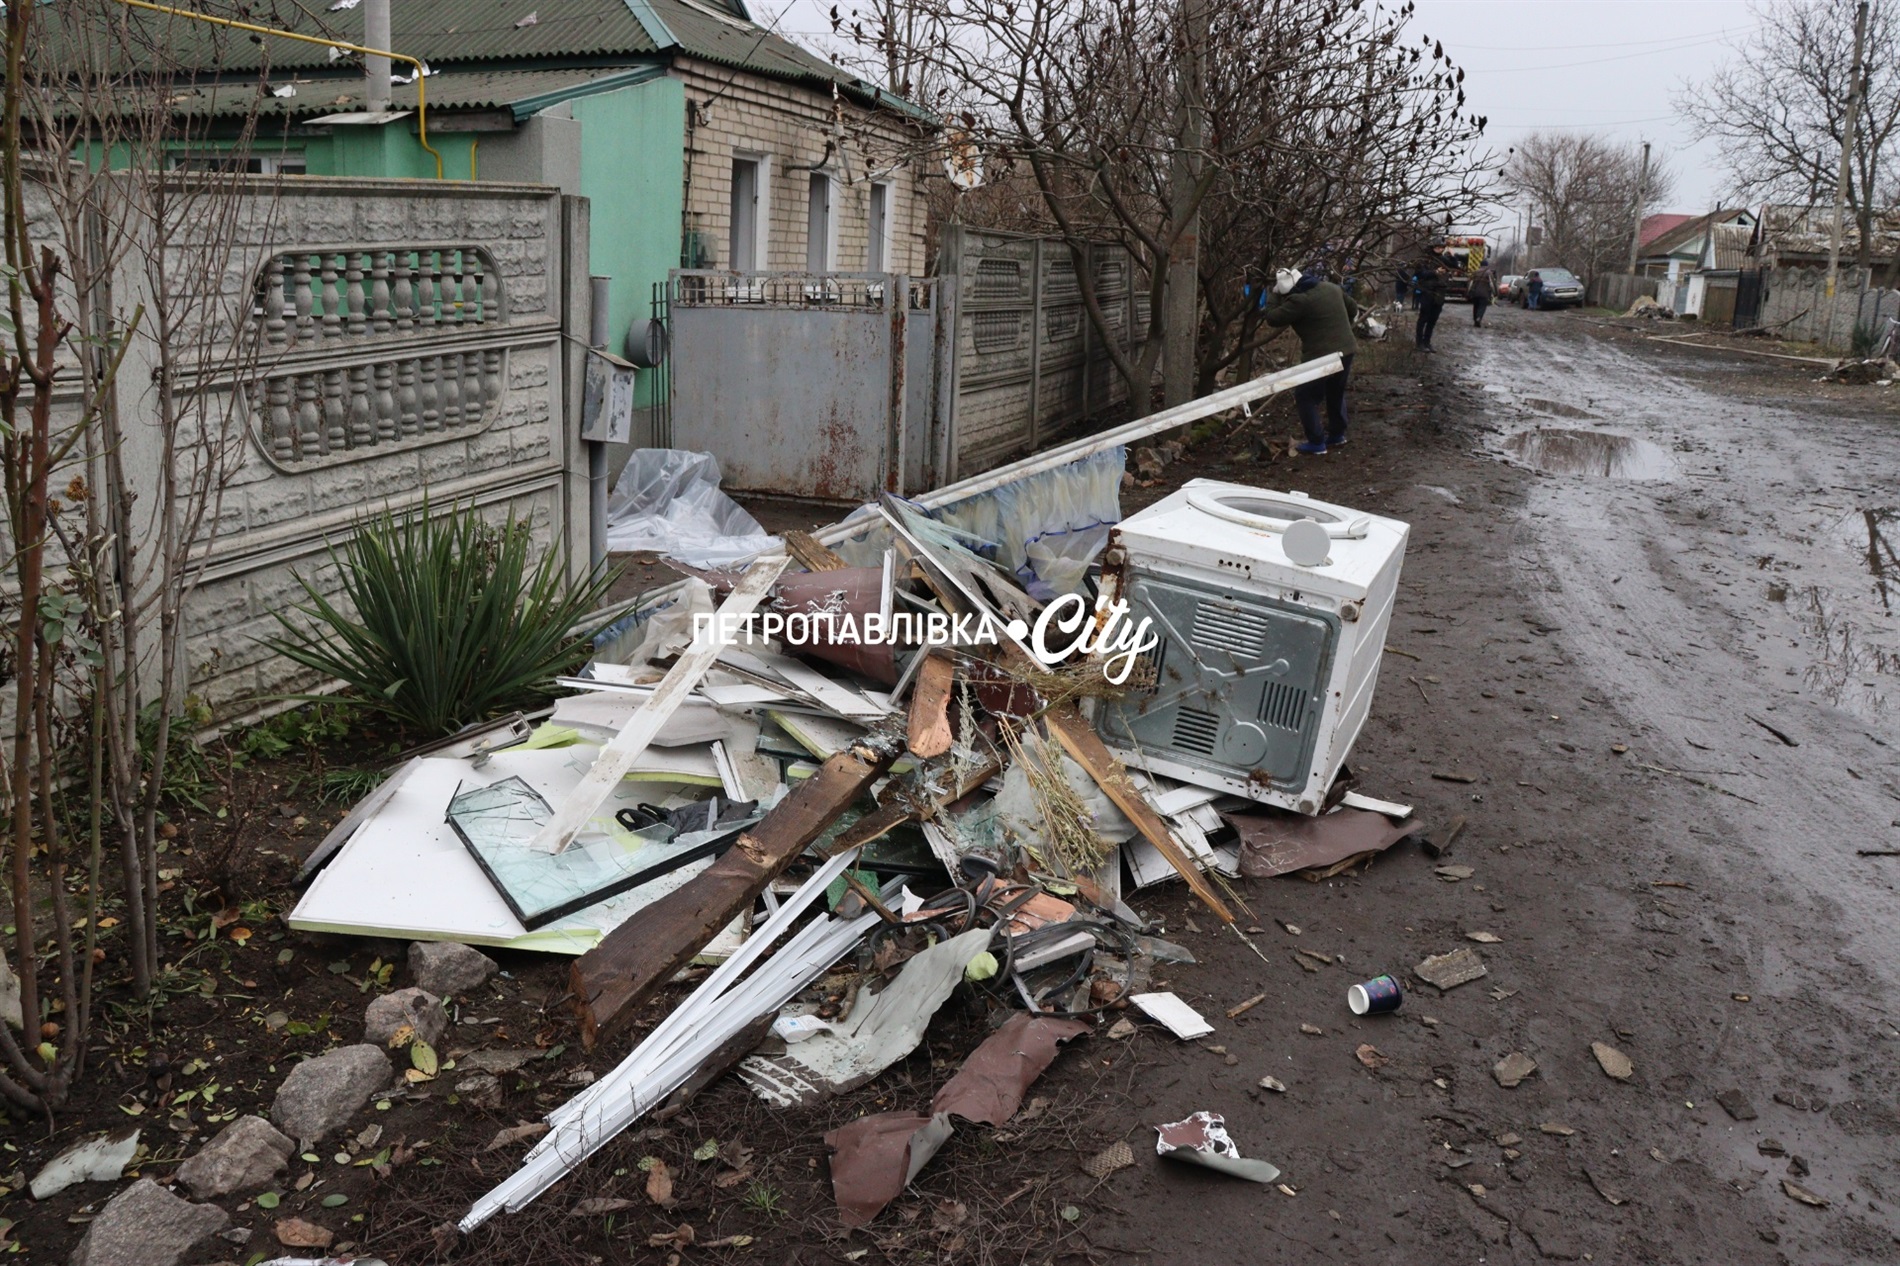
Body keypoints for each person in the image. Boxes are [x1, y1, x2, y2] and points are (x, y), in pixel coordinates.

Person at [1263, 264, 1360, 456]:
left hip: (1321, 356)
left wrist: (1273, 294)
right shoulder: (1331, 288)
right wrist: (1341, 329)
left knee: (1305, 396)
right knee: (1335, 391)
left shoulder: (1299, 301)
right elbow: (1353, 308)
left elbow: (1272, 318)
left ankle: (1316, 442)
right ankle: (1337, 435)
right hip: (1347, 349)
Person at [1414, 265, 1448, 352]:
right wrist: (1435, 272)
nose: (1439, 250)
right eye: (1438, 249)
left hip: (1439, 296)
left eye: (1441, 249)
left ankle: (1427, 342)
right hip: (1427, 295)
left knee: (1432, 321)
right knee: (1423, 319)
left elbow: (1453, 264)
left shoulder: (1442, 260)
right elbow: (1419, 274)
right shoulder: (1425, 260)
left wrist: (1452, 256)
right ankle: (1419, 343)